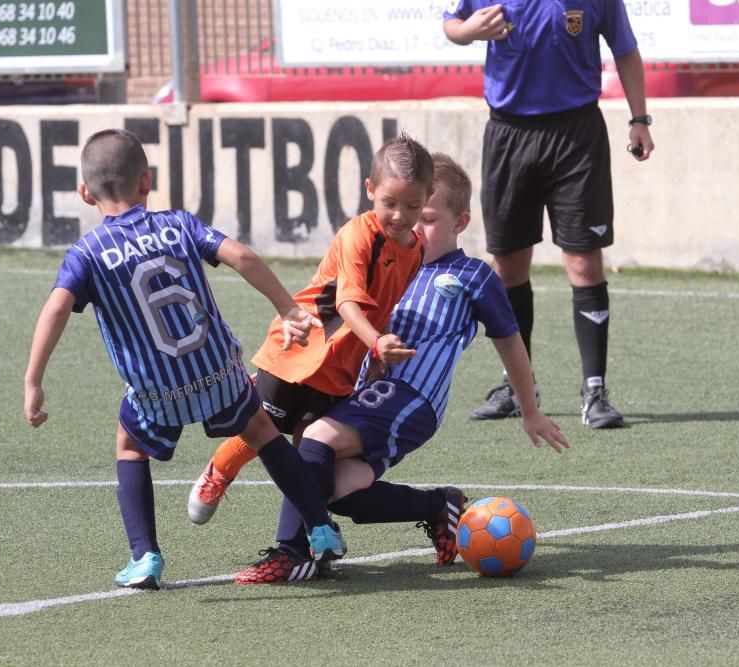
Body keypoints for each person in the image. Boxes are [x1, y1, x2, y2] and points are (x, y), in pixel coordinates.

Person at [22, 128, 346, 590]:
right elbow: (242, 255)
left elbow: (56, 307)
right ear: (145, 182)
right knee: (261, 430)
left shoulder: (87, 254)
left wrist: (34, 380)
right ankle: (319, 527)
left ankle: (146, 557)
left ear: (83, 192)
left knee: (130, 446)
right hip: (216, 371)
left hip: (157, 388)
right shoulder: (178, 224)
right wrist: (287, 308)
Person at [234, 153, 570, 584]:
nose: (413, 226)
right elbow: (335, 313)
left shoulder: (472, 276)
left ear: (460, 222)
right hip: (364, 396)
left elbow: (510, 341)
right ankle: (438, 507)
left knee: (313, 443)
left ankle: (295, 553)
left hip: (410, 398)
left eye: (426, 217)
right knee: (333, 488)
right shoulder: (388, 260)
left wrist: (529, 409)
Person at [186, 132, 432, 525]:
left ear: (427, 199)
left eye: (412, 205)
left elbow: (383, 303)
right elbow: (346, 303)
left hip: (342, 365)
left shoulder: (416, 249)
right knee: (260, 428)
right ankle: (218, 474)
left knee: (311, 449)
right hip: (301, 348)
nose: (400, 215)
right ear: (370, 190)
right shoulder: (359, 235)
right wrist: (377, 341)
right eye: (390, 203)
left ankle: (308, 535)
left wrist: (375, 355)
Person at [443, 2, 655, 428]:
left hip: (577, 137)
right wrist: (468, 31)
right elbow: (452, 25)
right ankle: (518, 386)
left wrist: (639, 119)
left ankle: (594, 391)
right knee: (507, 267)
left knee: (584, 263)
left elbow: (625, 49)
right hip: (508, 135)